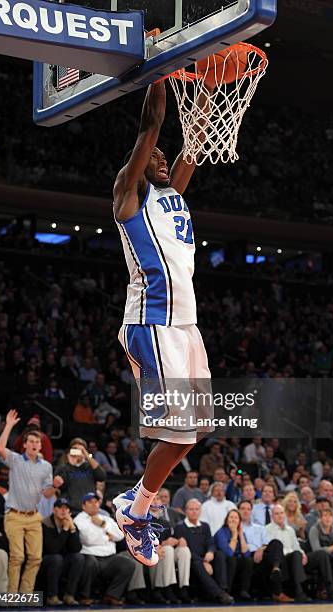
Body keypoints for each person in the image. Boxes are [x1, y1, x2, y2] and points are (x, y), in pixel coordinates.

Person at [112, 79, 214, 567]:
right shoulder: (129, 195)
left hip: (187, 328)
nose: (161, 158)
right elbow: (151, 129)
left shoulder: (175, 196)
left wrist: (212, 89)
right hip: (151, 324)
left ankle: (135, 500)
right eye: (154, 157)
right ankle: (136, 510)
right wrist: (159, 74)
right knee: (175, 435)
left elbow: (192, 143)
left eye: (163, 158)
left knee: (193, 434)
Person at [0, 409, 54, 593]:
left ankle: (26, 595)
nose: (35, 444)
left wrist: (56, 486)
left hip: (34, 516)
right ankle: (12, 595)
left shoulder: (47, 466)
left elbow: (47, 493)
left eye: (38, 442)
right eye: (31, 441)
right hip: (14, 515)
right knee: (17, 557)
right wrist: (9, 426)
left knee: (36, 558)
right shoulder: (15, 460)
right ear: (25, 444)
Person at [74, 492, 135, 606]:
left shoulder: (105, 518)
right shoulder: (79, 519)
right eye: (90, 502)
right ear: (83, 505)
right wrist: (108, 537)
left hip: (109, 557)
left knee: (128, 564)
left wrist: (103, 525)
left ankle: (112, 595)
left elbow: (120, 535)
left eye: (96, 502)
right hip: (90, 555)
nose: (94, 504)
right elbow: (88, 539)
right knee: (89, 563)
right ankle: (84, 596)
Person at [174, 499, 233, 605]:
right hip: (192, 560)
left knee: (219, 555)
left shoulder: (205, 526)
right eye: (191, 509)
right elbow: (188, 551)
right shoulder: (180, 527)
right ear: (186, 511)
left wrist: (210, 552)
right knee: (196, 563)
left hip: (205, 558)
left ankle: (224, 589)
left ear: (200, 511)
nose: (194, 511)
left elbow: (211, 543)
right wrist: (203, 562)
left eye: (196, 509)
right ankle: (219, 594)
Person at [40, 498, 85, 606]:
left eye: (66, 508)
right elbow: (52, 549)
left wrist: (72, 529)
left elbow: (76, 548)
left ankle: (69, 595)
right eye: (60, 508)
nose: (63, 511)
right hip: (46, 561)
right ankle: (52, 596)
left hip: (62, 561)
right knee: (56, 558)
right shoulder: (45, 524)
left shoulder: (70, 524)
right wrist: (65, 530)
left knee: (78, 558)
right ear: (54, 510)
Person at [266, 504, 311, 602]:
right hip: (278, 559)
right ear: (272, 516)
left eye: (281, 513)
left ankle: (299, 591)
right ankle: (299, 590)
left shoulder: (290, 530)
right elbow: (270, 549)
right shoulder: (267, 529)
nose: (280, 516)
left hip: (292, 558)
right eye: (276, 514)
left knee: (297, 554)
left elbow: (296, 546)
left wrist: (302, 553)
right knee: (293, 555)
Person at [53, 438, 106, 515]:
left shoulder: (90, 467)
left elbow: (102, 476)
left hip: (89, 510)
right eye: (75, 449)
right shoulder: (62, 468)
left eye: (80, 450)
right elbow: (61, 486)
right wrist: (71, 465)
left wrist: (87, 456)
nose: (77, 452)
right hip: (70, 511)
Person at [214, 509, 254, 600]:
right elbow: (229, 553)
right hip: (224, 560)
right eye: (231, 517)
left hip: (237, 560)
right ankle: (227, 592)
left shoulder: (241, 532)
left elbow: (246, 554)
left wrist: (241, 535)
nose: (233, 520)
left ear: (239, 521)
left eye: (236, 518)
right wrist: (234, 534)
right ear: (226, 519)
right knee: (232, 559)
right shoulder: (221, 532)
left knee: (248, 560)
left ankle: (244, 591)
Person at [308, 508, 333, 597]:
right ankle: (329, 589)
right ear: (320, 518)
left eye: (330, 516)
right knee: (323, 554)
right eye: (325, 516)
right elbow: (316, 549)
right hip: (315, 559)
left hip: (329, 558)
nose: (328, 518)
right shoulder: (314, 529)